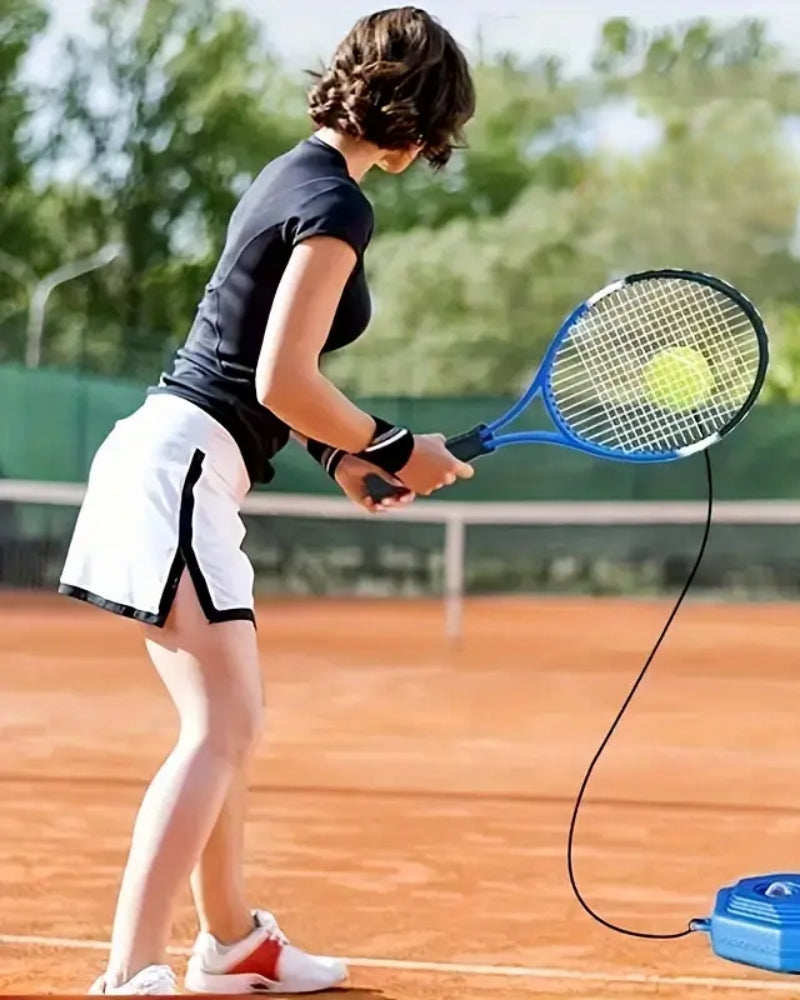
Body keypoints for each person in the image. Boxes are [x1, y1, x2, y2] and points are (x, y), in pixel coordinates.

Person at [58, 8, 475, 995]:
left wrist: (345, 459)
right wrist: (388, 443)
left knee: (226, 723)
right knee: (221, 730)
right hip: (183, 467)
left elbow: (258, 365)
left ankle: (234, 941)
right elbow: (285, 377)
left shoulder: (293, 173)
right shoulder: (339, 202)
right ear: (424, 126)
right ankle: (129, 973)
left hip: (187, 464)